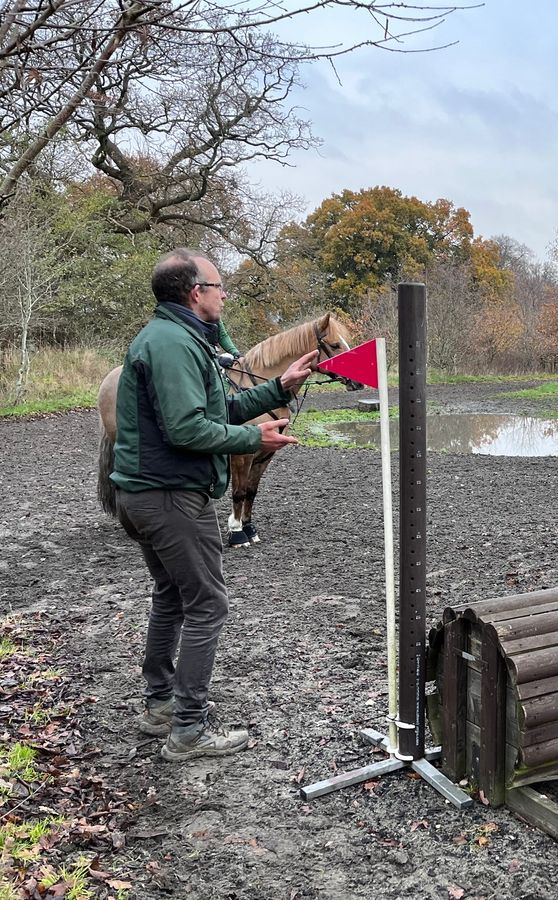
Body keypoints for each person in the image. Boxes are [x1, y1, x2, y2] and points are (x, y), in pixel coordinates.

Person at [110, 248, 319, 762]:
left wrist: (280, 386)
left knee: (172, 596)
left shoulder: (174, 338)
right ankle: (188, 730)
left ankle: (159, 705)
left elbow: (216, 407)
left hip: (145, 494)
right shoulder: (173, 343)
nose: (225, 293)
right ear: (193, 292)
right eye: (219, 285)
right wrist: (252, 440)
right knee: (208, 604)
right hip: (171, 497)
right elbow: (187, 429)